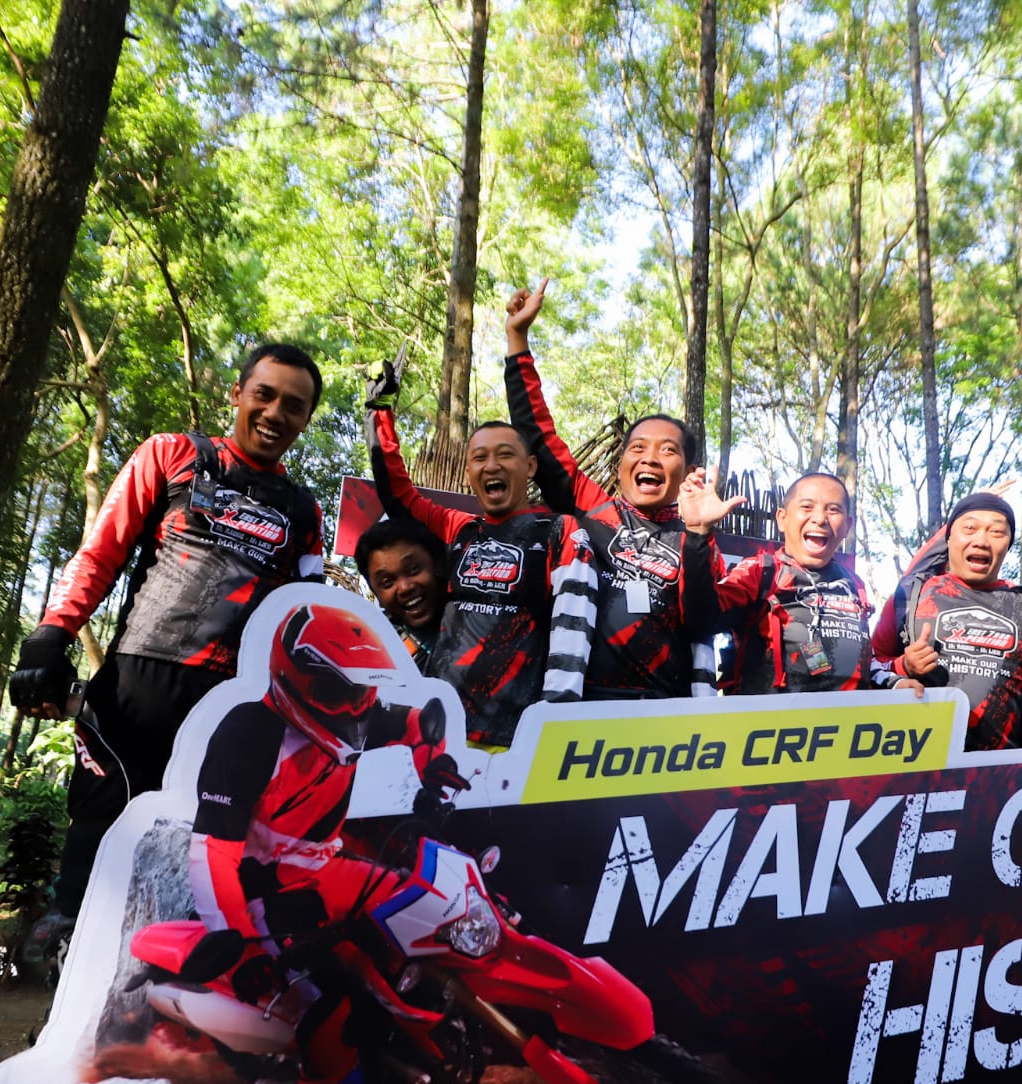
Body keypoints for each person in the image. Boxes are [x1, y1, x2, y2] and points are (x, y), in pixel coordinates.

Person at [10, 343, 326, 940]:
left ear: (305, 419)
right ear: (237, 393)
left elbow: (301, 618)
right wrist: (51, 635)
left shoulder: (304, 512)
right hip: (140, 680)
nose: (275, 412)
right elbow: (103, 551)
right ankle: (65, 984)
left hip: (234, 704)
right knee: (101, 830)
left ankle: (165, 995)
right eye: (265, 394)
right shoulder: (176, 454)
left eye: (294, 405)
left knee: (201, 847)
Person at [187, 600, 466, 1084]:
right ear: (297, 675)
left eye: (362, 689)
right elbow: (211, 849)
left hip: (328, 863)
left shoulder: (360, 711)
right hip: (265, 888)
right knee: (324, 1018)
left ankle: (411, 1031)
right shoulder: (248, 732)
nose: (353, 706)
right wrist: (237, 944)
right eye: (337, 690)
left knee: (428, 909)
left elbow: (426, 719)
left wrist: (436, 772)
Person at [500, 280, 734, 699]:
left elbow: (704, 625)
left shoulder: (697, 543)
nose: (649, 458)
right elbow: (538, 438)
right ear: (622, 462)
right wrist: (517, 339)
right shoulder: (595, 510)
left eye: (667, 451)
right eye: (637, 448)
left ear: (688, 471)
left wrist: (698, 535)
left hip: (666, 724)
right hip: (583, 708)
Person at [363, 367, 597, 749]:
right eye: (479, 458)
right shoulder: (460, 528)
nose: (492, 466)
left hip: (513, 738)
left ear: (531, 467)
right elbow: (399, 495)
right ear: (469, 470)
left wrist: (554, 724)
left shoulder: (561, 531)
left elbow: (573, 632)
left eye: (506, 455)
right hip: (435, 726)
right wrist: (380, 412)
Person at [873, 492, 1022, 750]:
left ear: (1008, 545)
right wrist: (902, 666)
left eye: (996, 532)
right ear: (949, 538)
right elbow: (866, 669)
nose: (981, 541)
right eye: (970, 528)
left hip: (998, 775)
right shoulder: (910, 596)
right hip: (912, 766)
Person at [685, 472, 883, 694]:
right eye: (807, 507)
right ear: (782, 519)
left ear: (847, 526)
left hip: (848, 723)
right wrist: (697, 535)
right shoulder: (761, 571)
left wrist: (895, 678)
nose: (820, 518)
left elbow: (866, 664)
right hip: (770, 725)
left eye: (833, 509)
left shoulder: (854, 584)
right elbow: (701, 620)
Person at [353, 517, 447, 672]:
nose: (405, 588)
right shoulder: (378, 658)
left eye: (413, 570)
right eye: (387, 582)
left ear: (437, 564)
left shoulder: (481, 622)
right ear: (377, 596)